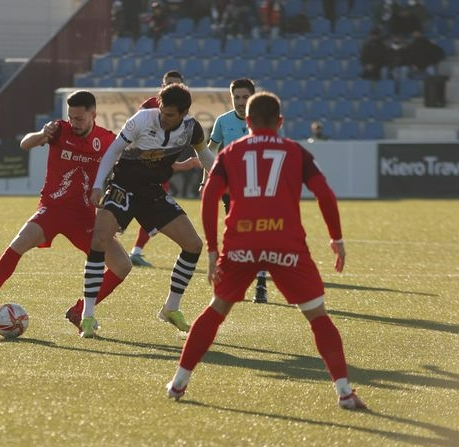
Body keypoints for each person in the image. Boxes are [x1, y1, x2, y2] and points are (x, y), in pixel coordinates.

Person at [165, 91, 367, 410]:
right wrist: (336, 238)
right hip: (285, 244)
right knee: (317, 316)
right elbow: (324, 193)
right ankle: (344, 392)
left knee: (216, 310)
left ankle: (178, 383)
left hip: (241, 243)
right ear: (281, 121)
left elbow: (209, 196)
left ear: (247, 122)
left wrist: (215, 250)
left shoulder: (232, 153)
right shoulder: (294, 151)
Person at [0, 91, 130, 333]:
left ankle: (80, 310)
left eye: (80, 118)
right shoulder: (59, 130)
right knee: (18, 243)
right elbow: (25, 143)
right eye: (71, 117)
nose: (74, 123)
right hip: (51, 210)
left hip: (84, 217)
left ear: (93, 115)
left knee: (122, 266)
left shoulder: (107, 140)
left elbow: (124, 168)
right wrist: (42, 134)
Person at [79, 83, 215, 338]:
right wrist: (98, 184)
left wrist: (223, 180)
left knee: (194, 244)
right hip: (123, 187)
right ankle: (87, 316)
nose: (164, 117)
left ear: (184, 113)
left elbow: (205, 155)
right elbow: (114, 151)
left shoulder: (191, 128)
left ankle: (171, 308)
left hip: (152, 193)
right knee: (99, 239)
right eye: (162, 111)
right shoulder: (142, 119)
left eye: (171, 115)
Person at [206, 78, 270, 303]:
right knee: (237, 234)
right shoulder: (223, 122)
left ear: (253, 97)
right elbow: (209, 152)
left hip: (259, 188)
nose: (241, 102)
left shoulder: (264, 121)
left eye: (245, 97)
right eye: (237, 97)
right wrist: (207, 180)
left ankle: (261, 283)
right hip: (231, 189)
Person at [131, 70, 195, 268]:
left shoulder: (183, 115)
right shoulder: (149, 107)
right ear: (162, 86)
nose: (170, 87)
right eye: (167, 83)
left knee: (151, 209)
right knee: (134, 207)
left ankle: (135, 251)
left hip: (157, 170)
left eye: (174, 84)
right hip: (138, 167)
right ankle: (121, 249)